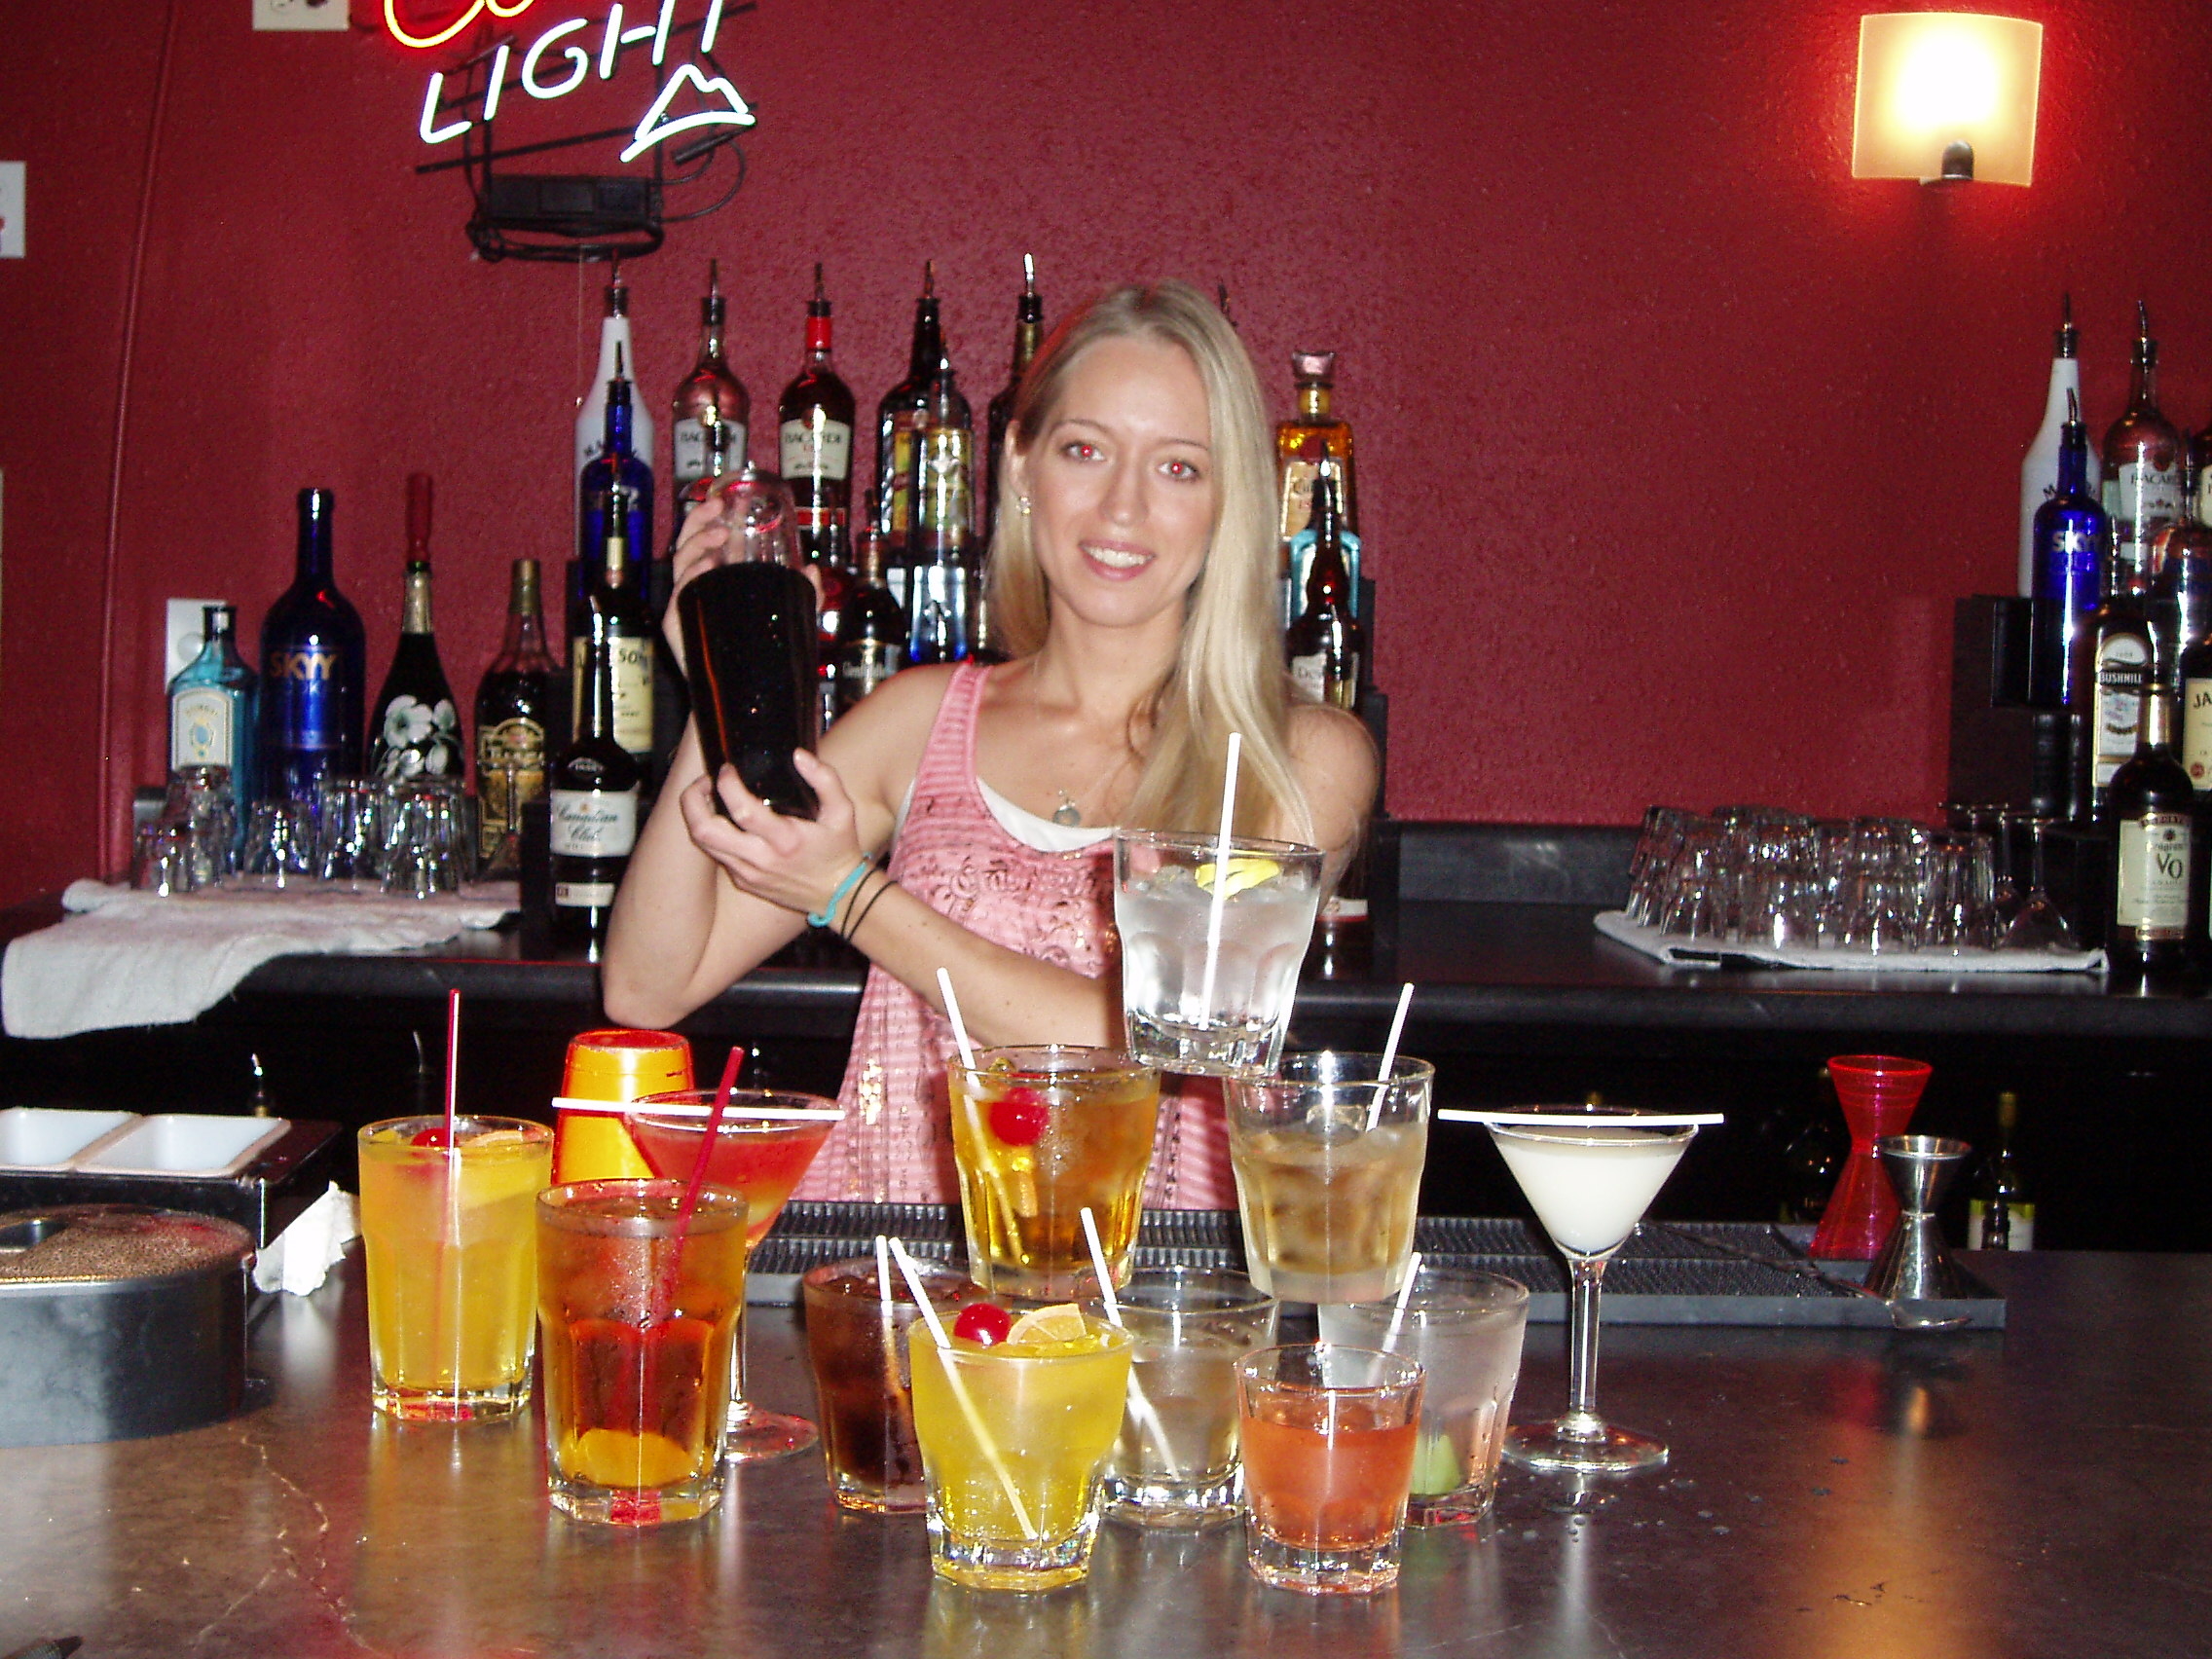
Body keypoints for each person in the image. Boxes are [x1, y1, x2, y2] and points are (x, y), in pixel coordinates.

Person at [603, 279, 1376, 1205]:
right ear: (1020, 466)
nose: (1122, 508)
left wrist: (850, 896)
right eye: (1085, 451)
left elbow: (1152, 1041)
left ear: (1230, 502)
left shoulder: (1295, 758)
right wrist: (721, 679)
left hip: (1154, 1312)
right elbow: (649, 987)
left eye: (1178, 468)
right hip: (899, 1292)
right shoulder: (920, 718)